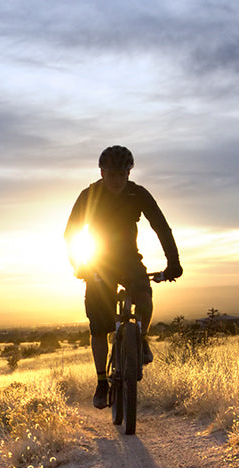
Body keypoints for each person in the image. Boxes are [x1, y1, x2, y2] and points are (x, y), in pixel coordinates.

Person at [64, 145, 183, 409]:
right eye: (112, 174)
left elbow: (161, 227)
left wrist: (173, 262)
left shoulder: (137, 194)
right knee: (98, 325)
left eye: (122, 175)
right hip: (98, 263)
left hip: (129, 260)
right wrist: (78, 264)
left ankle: (139, 340)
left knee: (144, 296)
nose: (117, 180)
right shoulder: (89, 195)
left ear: (129, 173)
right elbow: (71, 232)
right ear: (102, 172)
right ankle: (101, 382)